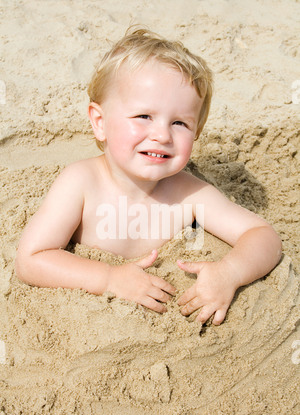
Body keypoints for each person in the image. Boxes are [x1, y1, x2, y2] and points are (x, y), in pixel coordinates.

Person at [15, 27, 282, 325]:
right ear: (100, 122)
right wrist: (108, 278)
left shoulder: (189, 195)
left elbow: (263, 237)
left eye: (180, 122)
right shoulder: (81, 183)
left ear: (196, 134)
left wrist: (229, 272)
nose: (162, 135)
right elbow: (32, 259)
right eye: (144, 116)